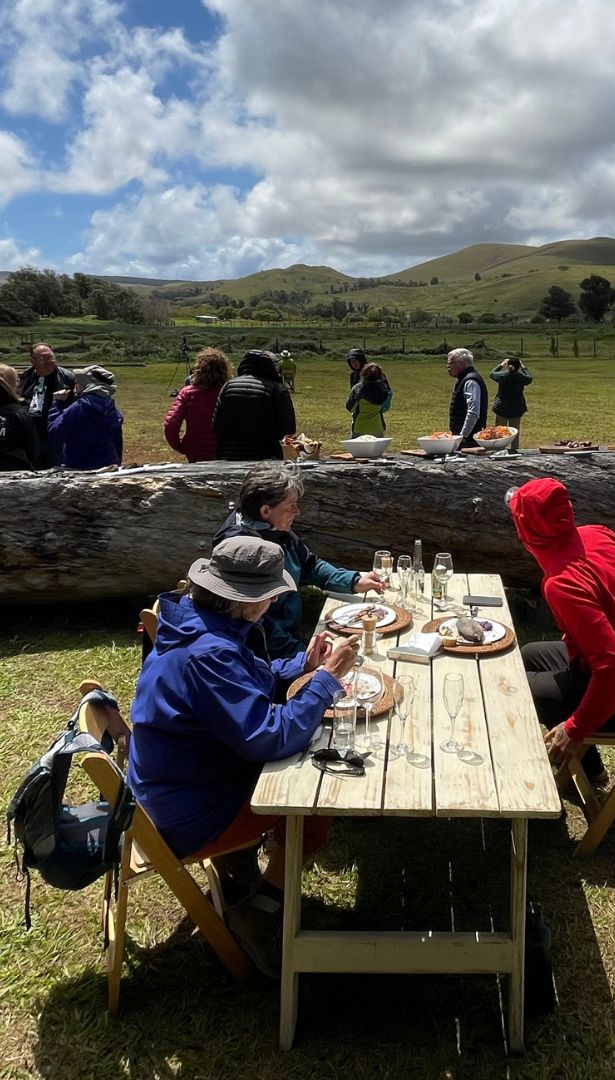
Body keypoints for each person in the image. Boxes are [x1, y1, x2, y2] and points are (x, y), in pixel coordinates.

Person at [127, 536, 360, 974]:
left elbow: (248, 679)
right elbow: (269, 737)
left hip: (170, 785)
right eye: (271, 594)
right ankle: (262, 910)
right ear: (249, 602)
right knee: (316, 793)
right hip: (188, 811)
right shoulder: (209, 654)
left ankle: (239, 868)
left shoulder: (196, 622)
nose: (273, 601)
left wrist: (304, 666)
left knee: (307, 761)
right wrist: (327, 679)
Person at [507, 477, 615, 788]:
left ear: (525, 531)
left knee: (513, 687)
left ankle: (577, 769)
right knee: (526, 655)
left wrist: (575, 729)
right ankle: (588, 768)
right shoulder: (596, 534)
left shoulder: (561, 583)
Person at [214, 463, 385, 658]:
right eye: (291, 505)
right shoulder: (243, 552)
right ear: (265, 511)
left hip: (291, 635)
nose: (298, 511)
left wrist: (353, 581)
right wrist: (303, 655)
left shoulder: (273, 529)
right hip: (266, 654)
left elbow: (310, 565)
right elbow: (258, 624)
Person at [212, 349, 297, 461]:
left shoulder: (228, 386)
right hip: (264, 457)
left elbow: (216, 425)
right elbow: (288, 429)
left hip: (227, 455)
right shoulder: (277, 389)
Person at [47, 365, 123, 470]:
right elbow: (117, 442)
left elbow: (55, 431)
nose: (75, 385)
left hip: (79, 466)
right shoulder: (112, 408)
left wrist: (56, 403)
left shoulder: (80, 407)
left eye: (78, 382)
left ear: (88, 385)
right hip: (108, 464)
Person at [164, 348, 230, 462]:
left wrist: (179, 446)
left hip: (195, 449)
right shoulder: (229, 392)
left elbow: (171, 424)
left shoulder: (187, 393)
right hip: (224, 449)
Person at [19, 343, 76, 467]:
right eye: (43, 359)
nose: (49, 362)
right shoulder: (25, 377)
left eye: (50, 357)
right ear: (32, 361)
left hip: (55, 435)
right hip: (31, 434)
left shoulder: (67, 378)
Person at [446, 348, 489, 448]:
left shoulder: (471, 381)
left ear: (461, 364)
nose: (448, 366)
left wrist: (462, 436)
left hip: (469, 440)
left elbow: (473, 413)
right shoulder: (464, 379)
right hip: (464, 438)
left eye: (451, 363)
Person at [489, 356, 531, 451]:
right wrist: (523, 368)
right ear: (518, 367)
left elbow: (492, 374)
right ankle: (514, 450)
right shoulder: (521, 378)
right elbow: (529, 378)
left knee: (499, 432)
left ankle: (498, 450)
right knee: (515, 432)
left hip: (501, 407)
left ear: (508, 366)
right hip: (517, 407)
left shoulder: (502, 376)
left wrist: (501, 365)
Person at [345, 361, 392, 436]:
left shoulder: (358, 388)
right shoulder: (384, 389)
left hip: (360, 427)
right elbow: (385, 407)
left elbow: (350, 408)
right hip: (378, 427)